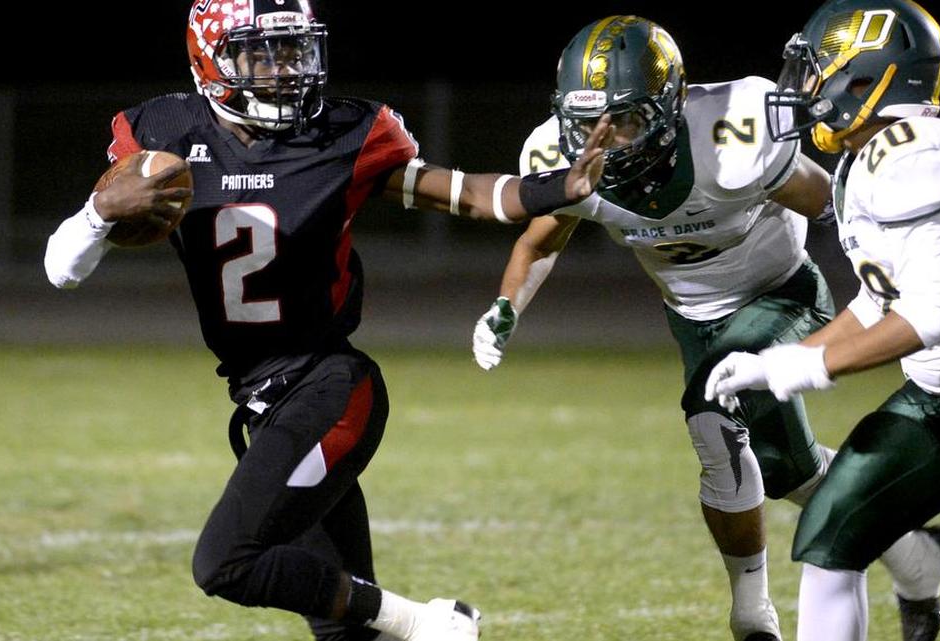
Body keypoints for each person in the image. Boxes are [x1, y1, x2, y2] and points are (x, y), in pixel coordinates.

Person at [43, 2, 608, 640]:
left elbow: (473, 196)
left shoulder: (343, 136)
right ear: (212, 59)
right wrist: (97, 212)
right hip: (266, 400)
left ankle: (428, 623)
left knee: (225, 561)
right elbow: (61, 270)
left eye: (296, 50)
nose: (287, 70)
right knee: (340, 631)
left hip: (331, 391)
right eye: (264, 53)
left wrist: (560, 187)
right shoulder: (164, 133)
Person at [472, 15, 940, 641]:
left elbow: (840, 205)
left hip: (781, 295)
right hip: (693, 319)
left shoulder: (732, 132)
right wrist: (504, 307)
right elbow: (541, 242)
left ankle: (752, 613)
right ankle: (914, 552)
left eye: (626, 120)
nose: (607, 140)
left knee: (710, 416)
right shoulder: (562, 156)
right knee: (789, 471)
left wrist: (914, 264)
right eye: (590, 123)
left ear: (671, 105)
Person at [705, 0, 940, 639]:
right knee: (830, 535)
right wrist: (773, 364)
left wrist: (809, 363)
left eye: (818, 69)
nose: (805, 86)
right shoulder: (875, 155)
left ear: (867, 76)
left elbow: (929, 314)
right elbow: (879, 300)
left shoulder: (913, 154)